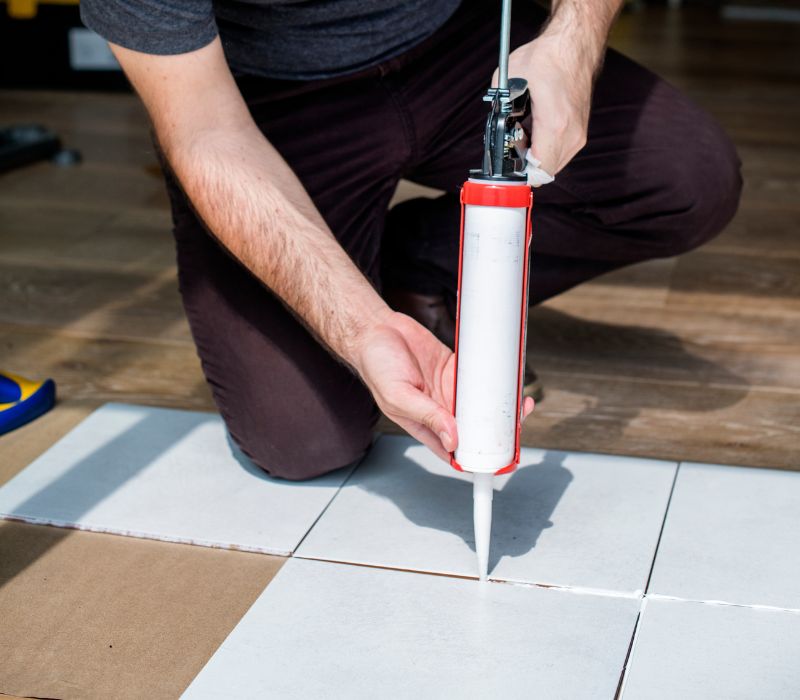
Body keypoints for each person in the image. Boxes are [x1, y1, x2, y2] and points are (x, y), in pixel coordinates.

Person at [80, 0, 742, 480]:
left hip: (459, 38)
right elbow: (205, 130)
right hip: (267, 100)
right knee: (306, 440)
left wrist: (574, 37)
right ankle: (374, 289)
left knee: (687, 179)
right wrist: (363, 329)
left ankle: (417, 263)